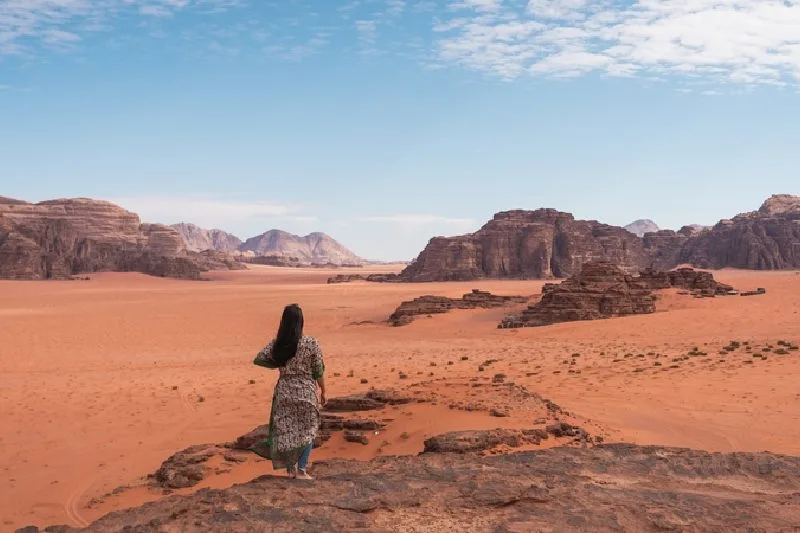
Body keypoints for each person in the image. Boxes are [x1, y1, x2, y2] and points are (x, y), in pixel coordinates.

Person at [253, 304, 326, 480]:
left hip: (285, 392)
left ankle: (291, 469)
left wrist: (278, 363)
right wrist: (324, 391)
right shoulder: (311, 343)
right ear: (301, 322)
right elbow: (318, 370)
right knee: (308, 430)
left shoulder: (278, 344)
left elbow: (260, 359)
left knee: (288, 431)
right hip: (306, 392)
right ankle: (302, 470)